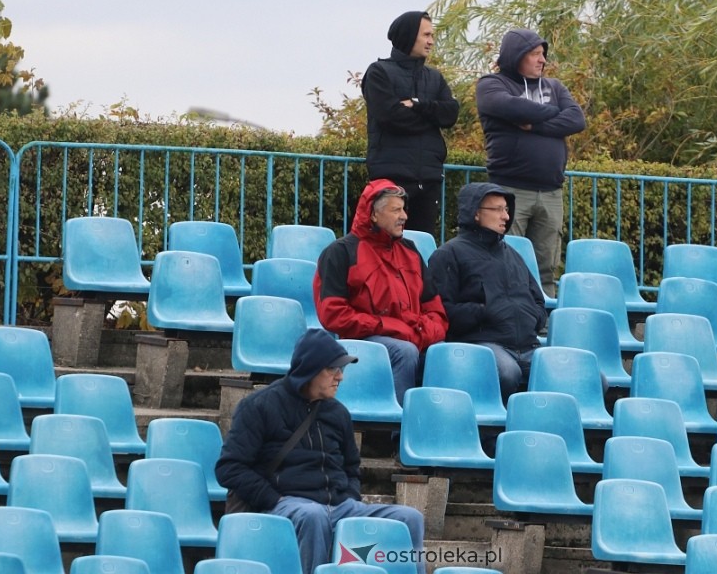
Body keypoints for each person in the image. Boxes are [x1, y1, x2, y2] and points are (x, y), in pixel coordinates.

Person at [216, 328, 424, 574]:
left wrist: (349, 497)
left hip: (339, 505)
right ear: (310, 370)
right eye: (333, 369)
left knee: (410, 518)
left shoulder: (338, 413)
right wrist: (273, 499)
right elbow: (229, 468)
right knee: (313, 516)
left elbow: (351, 468)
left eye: (342, 369)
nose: (340, 377)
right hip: (286, 503)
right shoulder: (259, 406)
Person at [314, 179, 448, 404]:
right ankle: (398, 430)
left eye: (403, 209)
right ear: (373, 215)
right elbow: (333, 315)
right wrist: (392, 328)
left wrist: (422, 333)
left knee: (444, 353)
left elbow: (436, 311)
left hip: (409, 336)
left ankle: (435, 429)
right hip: (362, 339)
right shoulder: (340, 252)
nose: (404, 216)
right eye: (396, 210)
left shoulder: (411, 251)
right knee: (405, 351)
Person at [475, 28, 585, 298]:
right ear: (517, 56)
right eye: (535, 54)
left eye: (543, 54)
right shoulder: (492, 84)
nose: (542, 60)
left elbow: (576, 120)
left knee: (546, 264)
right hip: (511, 189)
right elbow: (508, 106)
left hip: (551, 191)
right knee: (506, 258)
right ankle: (505, 314)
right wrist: (552, 114)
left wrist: (532, 124)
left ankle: (544, 320)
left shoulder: (555, 87)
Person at [427, 182, 547, 401]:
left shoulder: (513, 255)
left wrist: (533, 317)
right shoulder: (449, 254)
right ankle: (496, 433)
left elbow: (538, 301)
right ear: (475, 214)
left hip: (528, 345)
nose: (506, 217)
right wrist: (484, 311)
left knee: (592, 378)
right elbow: (441, 310)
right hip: (482, 344)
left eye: (506, 210)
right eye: (498, 210)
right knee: (507, 373)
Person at [361, 10, 460, 235]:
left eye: (432, 36)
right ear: (408, 36)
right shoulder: (379, 72)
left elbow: (451, 113)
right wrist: (432, 117)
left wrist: (417, 105)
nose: (431, 41)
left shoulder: (434, 77)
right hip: (391, 178)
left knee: (420, 250)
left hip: (429, 179)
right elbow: (391, 117)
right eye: (426, 35)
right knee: (385, 245)